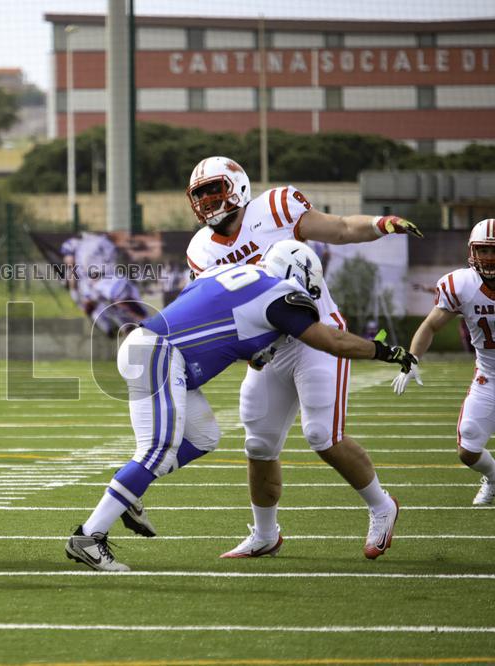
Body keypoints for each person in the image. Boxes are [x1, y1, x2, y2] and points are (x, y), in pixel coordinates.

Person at [66, 240, 416, 571]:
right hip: (160, 353)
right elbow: (330, 339)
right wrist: (385, 350)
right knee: (157, 449)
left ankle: (130, 491)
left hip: (152, 349)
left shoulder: (223, 272)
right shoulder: (281, 294)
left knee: (204, 436)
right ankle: (89, 536)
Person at [184, 156, 421, 559]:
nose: (208, 201)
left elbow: (342, 229)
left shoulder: (275, 207)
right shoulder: (201, 250)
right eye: (200, 194)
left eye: (214, 189)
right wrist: (245, 351)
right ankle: (265, 534)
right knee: (258, 443)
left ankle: (383, 506)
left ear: (238, 186)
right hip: (268, 350)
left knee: (321, 436)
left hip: (317, 335)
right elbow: (217, 310)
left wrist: (381, 225)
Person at [393, 219, 495, 506]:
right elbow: (430, 326)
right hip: (489, 377)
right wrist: (412, 359)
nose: (488, 257)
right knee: (468, 449)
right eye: (482, 250)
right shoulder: (461, 284)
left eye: (493, 251)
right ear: (471, 252)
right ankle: (493, 477)